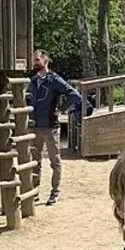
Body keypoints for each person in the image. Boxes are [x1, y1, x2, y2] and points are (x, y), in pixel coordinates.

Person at [29, 49, 81, 206]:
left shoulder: (54, 79)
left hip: (51, 126)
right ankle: (34, 191)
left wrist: (61, 108)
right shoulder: (33, 81)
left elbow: (74, 95)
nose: (35, 63)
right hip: (35, 126)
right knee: (35, 161)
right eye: (34, 60)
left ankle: (55, 192)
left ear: (45, 61)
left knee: (54, 161)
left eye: (37, 60)